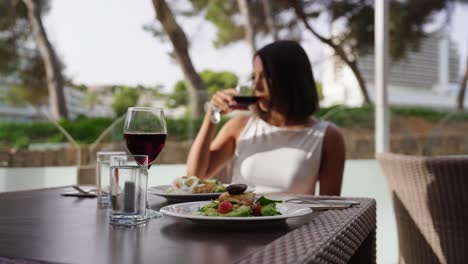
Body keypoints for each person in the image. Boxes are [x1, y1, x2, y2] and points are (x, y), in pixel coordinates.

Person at [186, 40, 345, 195]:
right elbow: (195, 177)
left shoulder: (329, 136)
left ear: (291, 80)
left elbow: (329, 208)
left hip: (297, 222)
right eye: (254, 77)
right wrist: (211, 116)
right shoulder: (239, 126)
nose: (256, 87)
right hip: (238, 219)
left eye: (265, 77)